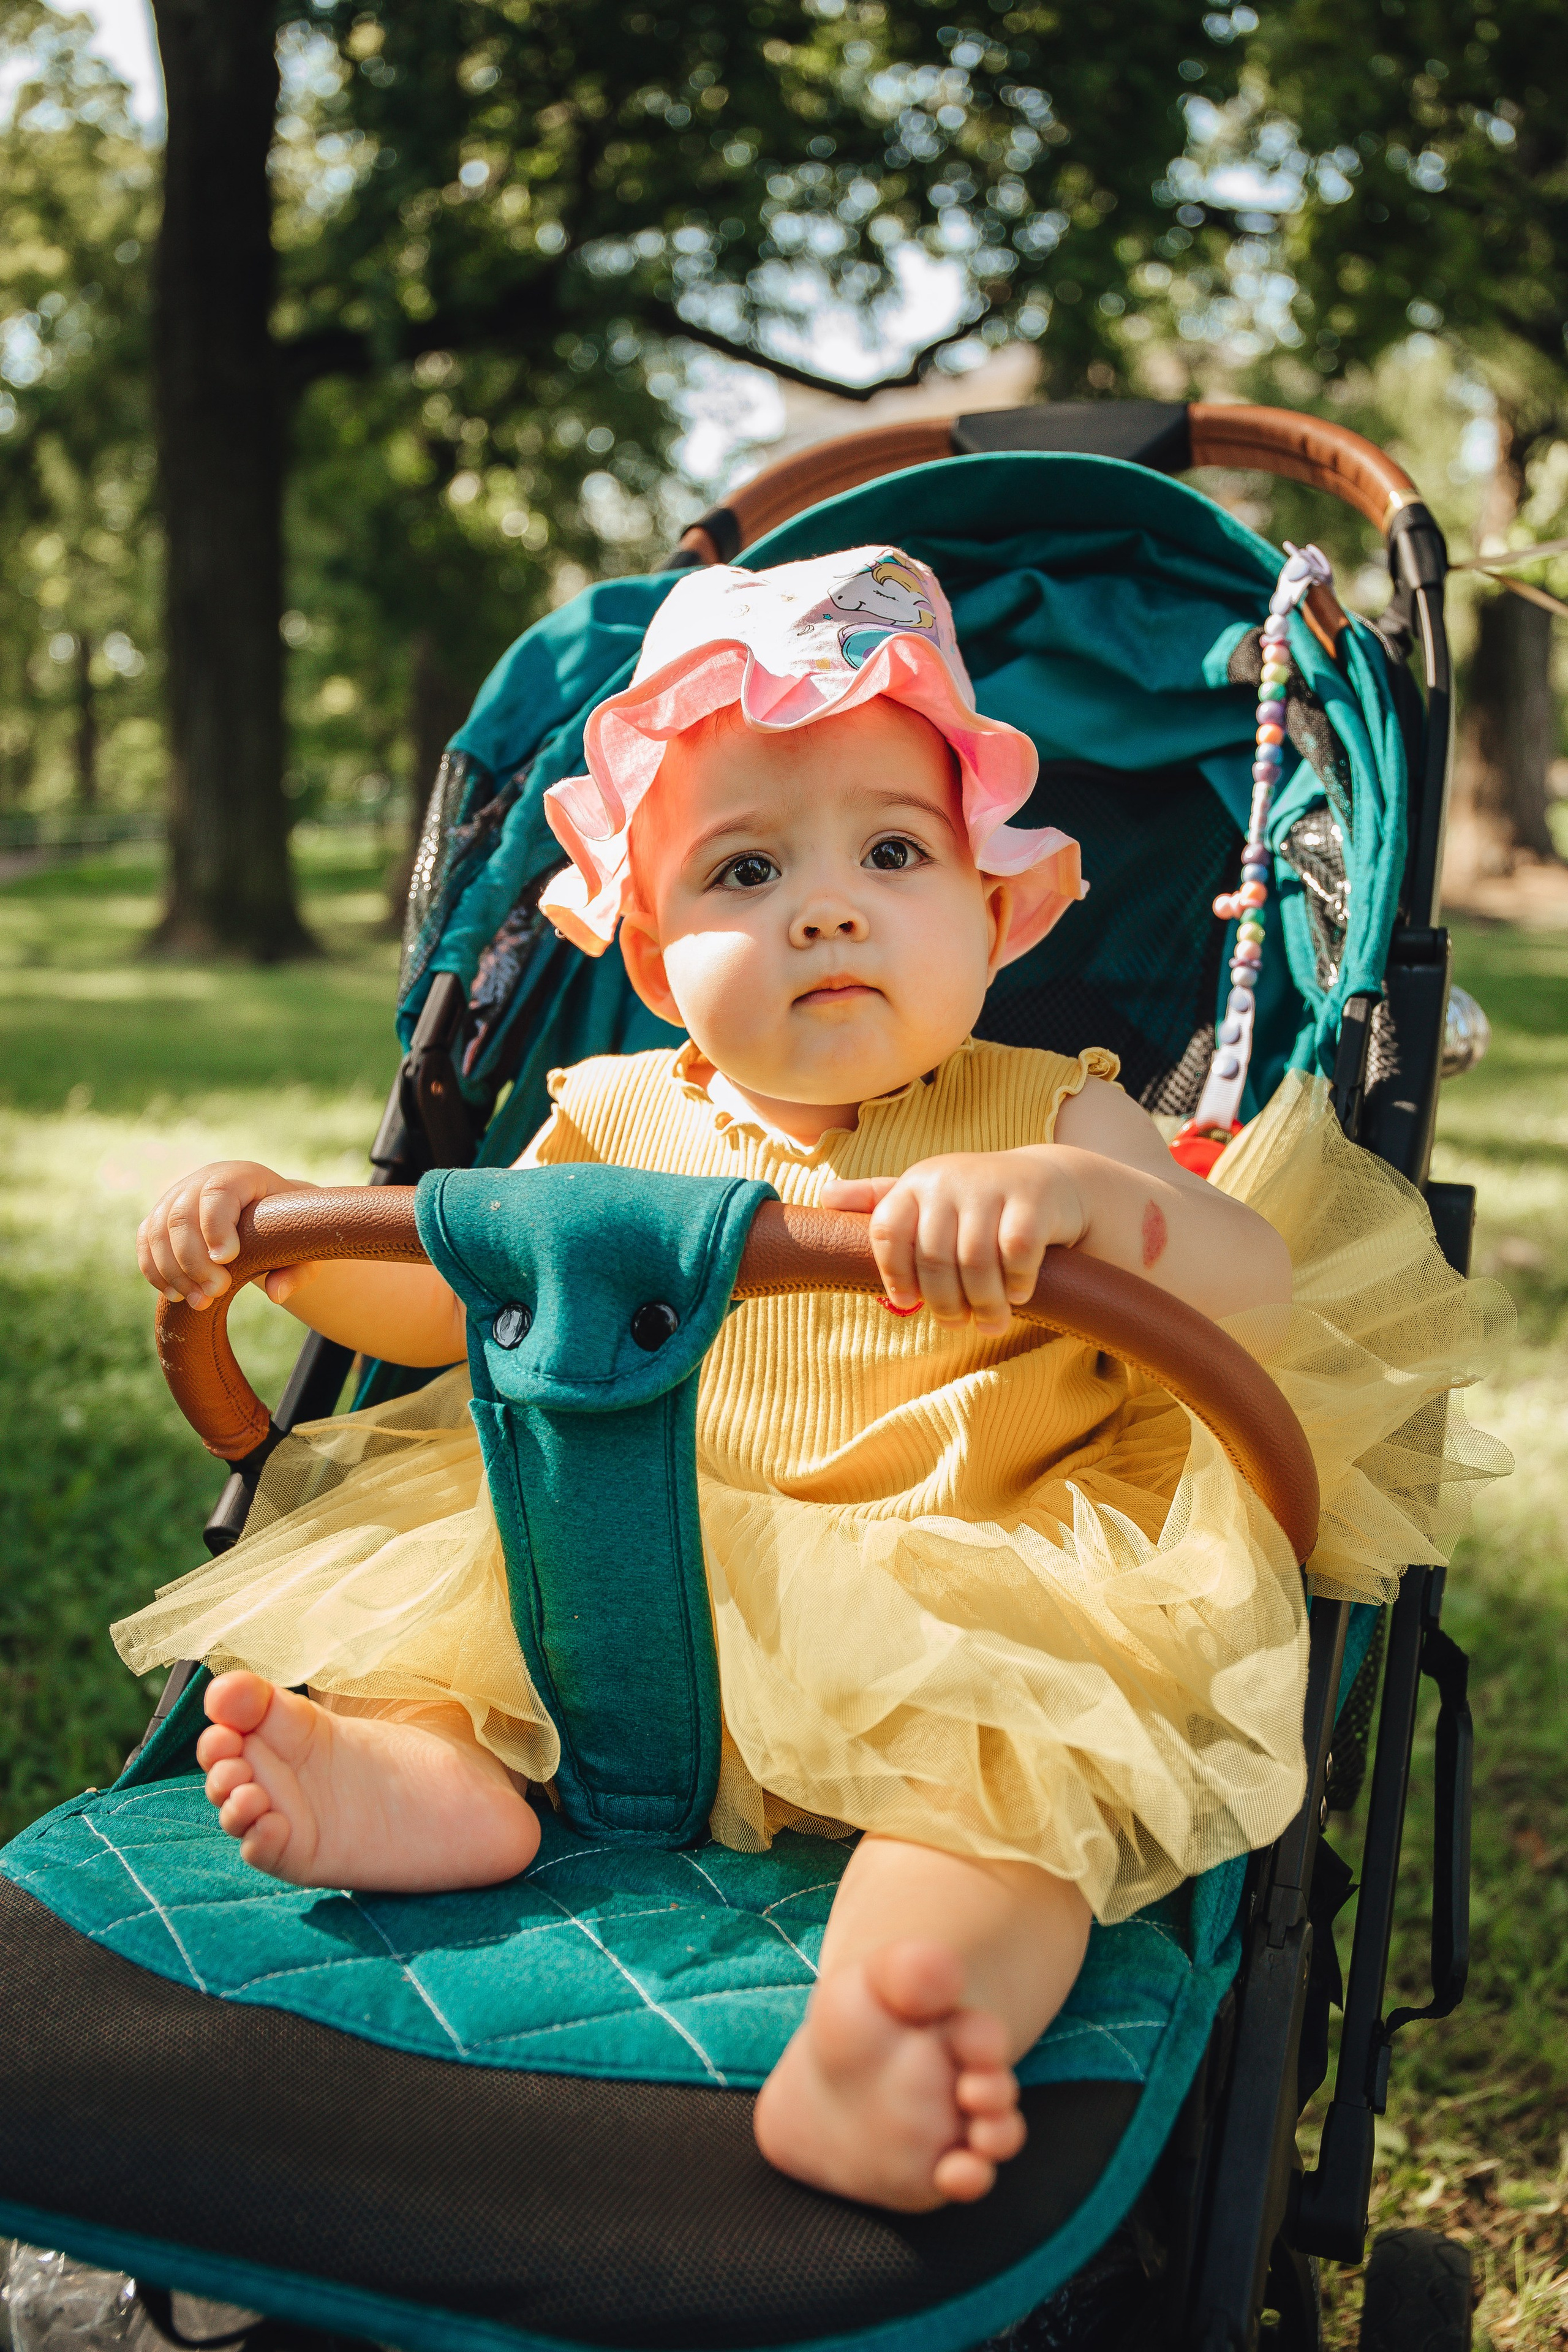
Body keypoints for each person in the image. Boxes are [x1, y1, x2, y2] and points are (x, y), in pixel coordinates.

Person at [118, 546, 1507, 2215]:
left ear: (996, 916)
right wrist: (278, 1237)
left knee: (1012, 1796)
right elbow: (428, 1301)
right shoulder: (607, 1119)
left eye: (895, 852)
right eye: (748, 867)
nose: (826, 905)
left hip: (961, 1590)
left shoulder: (1052, 1117)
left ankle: (889, 2026)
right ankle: (423, 1785)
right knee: (444, 1642)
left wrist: (1089, 1210)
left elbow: (1249, 1281)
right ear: (648, 954)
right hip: (618, 1577)